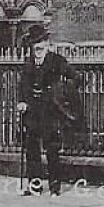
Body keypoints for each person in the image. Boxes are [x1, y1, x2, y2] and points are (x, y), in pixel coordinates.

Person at [17, 29, 84, 196]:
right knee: (31, 150)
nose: (37, 50)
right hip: (32, 111)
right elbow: (22, 85)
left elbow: (77, 78)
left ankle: (55, 187)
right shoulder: (28, 63)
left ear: (47, 45)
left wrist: (61, 92)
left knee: (51, 149)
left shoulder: (57, 61)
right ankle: (35, 186)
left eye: (40, 46)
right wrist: (22, 101)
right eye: (34, 47)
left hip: (50, 111)